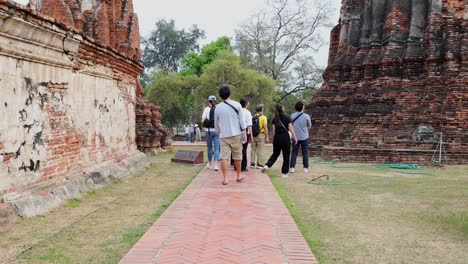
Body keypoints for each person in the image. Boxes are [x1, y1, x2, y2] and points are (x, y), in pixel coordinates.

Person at [214, 85, 247, 185]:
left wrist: (219, 132)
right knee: (237, 155)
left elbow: (216, 123)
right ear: (230, 94)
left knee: (224, 157)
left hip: (224, 135)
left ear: (220, 96)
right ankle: (239, 175)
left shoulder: (217, 108)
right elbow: (242, 120)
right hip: (236, 134)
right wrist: (244, 132)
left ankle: (225, 179)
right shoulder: (237, 105)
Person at [262, 103, 297, 178]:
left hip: (277, 138)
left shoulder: (275, 119)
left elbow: (274, 131)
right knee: (286, 156)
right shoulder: (287, 118)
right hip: (285, 139)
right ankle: (284, 173)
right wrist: (295, 137)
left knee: (275, 154)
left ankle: (267, 165)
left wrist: (274, 139)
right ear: (282, 108)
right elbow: (291, 129)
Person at [290, 101, 312, 173]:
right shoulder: (306, 116)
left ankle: (292, 167)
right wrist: (305, 131)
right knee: (305, 152)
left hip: (295, 137)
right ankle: (305, 168)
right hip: (304, 137)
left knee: (294, 152)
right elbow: (309, 126)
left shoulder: (292, 116)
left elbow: (290, 126)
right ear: (302, 107)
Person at [201, 95, 220, 170]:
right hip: (216, 131)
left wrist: (206, 123)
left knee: (209, 148)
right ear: (215, 101)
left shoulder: (206, 109)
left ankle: (209, 163)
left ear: (209, 102)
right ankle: (216, 165)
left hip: (208, 131)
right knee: (216, 148)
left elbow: (202, 121)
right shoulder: (218, 109)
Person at [251, 104, 269, 169]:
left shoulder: (253, 116)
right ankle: (259, 164)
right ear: (261, 109)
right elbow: (265, 127)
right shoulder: (263, 117)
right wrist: (267, 136)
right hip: (261, 134)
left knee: (253, 149)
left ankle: (252, 163)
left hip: (253, 134)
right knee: (260, 149)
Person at [240, 98, 253, 172]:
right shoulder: (248, 112)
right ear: (245, 104)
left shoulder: (237, 111)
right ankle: (243, 166)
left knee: (238, 150)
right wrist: (251, 135)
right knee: (244, 149)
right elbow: (249, 125)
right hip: (245, 133)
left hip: (237, 132)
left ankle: (237, 165)